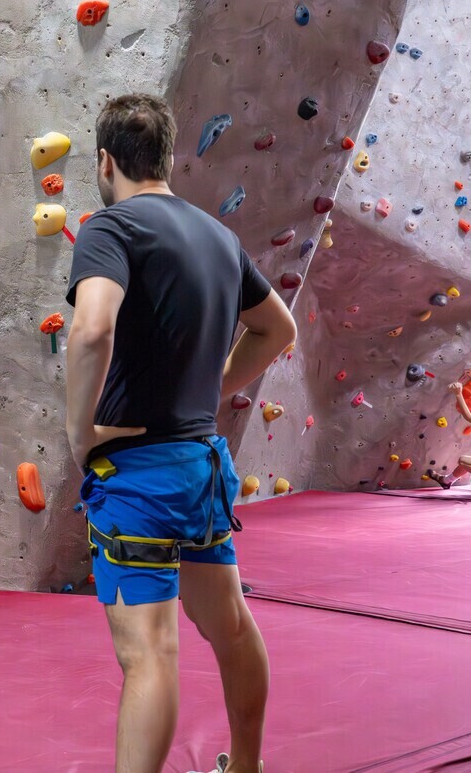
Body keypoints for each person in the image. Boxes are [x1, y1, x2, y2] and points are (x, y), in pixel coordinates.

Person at [65, 95, 297, 773]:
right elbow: (277, 329)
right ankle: (247, 766)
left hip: (137, 474)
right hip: (201, 468)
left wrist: (81, 432)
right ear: (167, 158)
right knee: (227, 626)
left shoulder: (111, 229)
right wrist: (213, 387)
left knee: (149, 653)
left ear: (106, 161)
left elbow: (93, 329)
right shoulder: (218, 237)